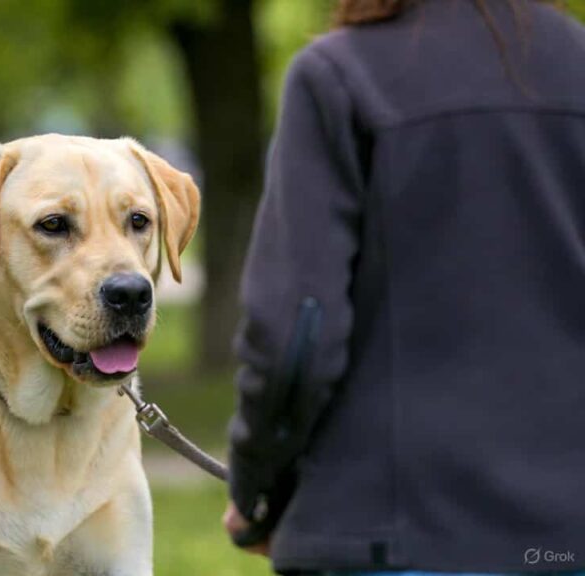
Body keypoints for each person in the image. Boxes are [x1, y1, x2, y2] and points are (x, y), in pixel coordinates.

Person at [223, 0, 585, 574]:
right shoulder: (576, 60)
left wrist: (255, 486)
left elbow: (297, 335)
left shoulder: (339, 75)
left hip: (389, 539)